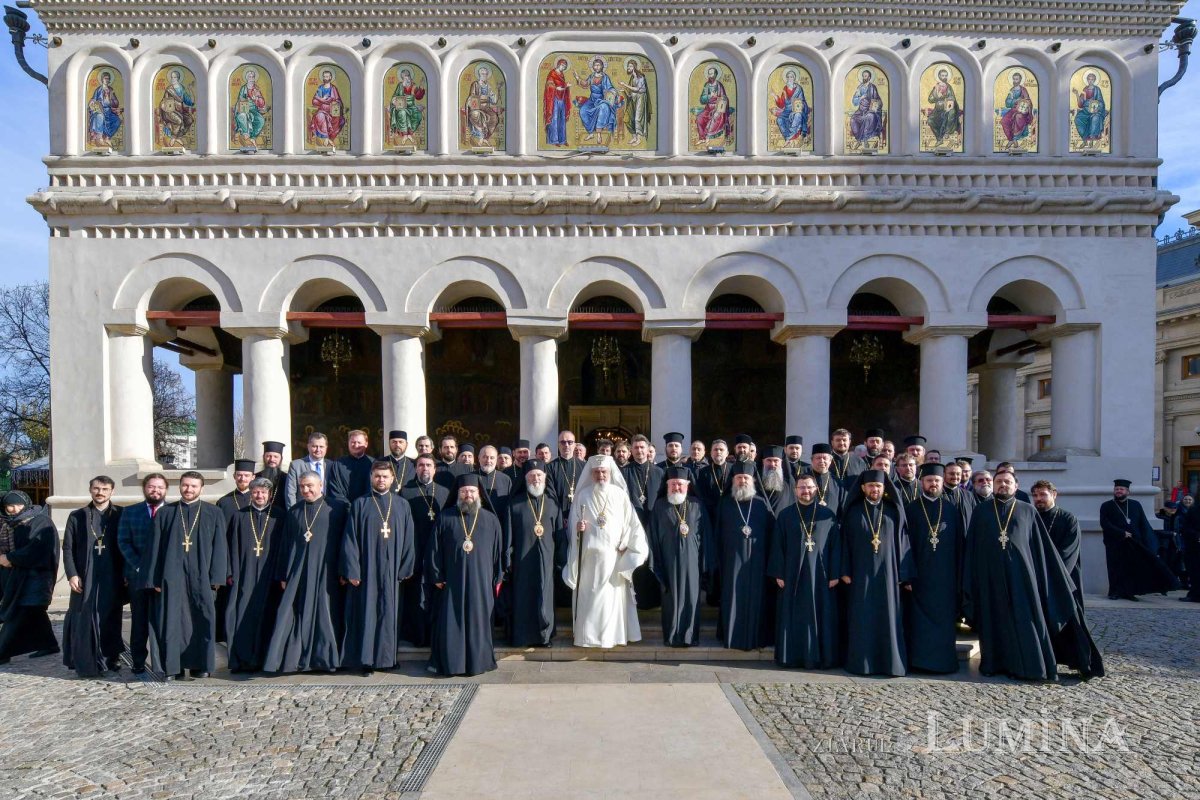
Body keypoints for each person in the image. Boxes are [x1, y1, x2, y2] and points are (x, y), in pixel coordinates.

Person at [963, 470, 1101, 680]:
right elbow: (972, 546)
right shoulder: (981, 511)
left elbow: (1040, 550)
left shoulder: (1027, 510)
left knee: (1025, 623)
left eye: (1007, 481)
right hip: (990, 579)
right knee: (993, 622)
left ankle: (1028, 667)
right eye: (999, 481)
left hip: (1022, 580)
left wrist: (1049, 579)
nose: (1003, 485)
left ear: (1016, 486)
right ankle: (994, 664)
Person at [144, 471, 227, 681]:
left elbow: (220, 546)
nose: (188, 489)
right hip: (171, 575)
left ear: (201, 488)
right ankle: (174, 667)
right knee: (172, 621)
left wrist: (217, 578)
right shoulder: (165, 513)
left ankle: (202, 665)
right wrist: (154, 578)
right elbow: (154, 547)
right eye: (185, 485)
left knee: (203, 619)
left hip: (202, 576)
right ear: (180, 486)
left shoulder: (214, 512)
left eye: (193, 486)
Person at [563, 455, 649, 648]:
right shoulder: (582, 495)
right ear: (591, 474)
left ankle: (612, 637)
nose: (600, 475)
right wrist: (577, 528)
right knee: (590, 599)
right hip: (588, 560)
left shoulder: (620, 494)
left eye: (604, 472)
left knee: (610, 600)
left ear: (610, 473)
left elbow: (632, 524)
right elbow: (572, 527)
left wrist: (625, 542)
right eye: (596, 472)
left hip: (613, 559)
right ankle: (587, 638)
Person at [265, 472, 345, 673]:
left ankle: (325, 660)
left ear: (320, 485)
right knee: (297, 614)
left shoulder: (337, 509)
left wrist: (344, 570)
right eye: (302, 486)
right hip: (299, 571)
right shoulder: (294, 511)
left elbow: (345, 542)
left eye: (310, 486)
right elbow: (285, 545)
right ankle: (298, 660)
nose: (305, 490)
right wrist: (283, 574)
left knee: (325, 614)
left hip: (326, 571)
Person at [341, 460, 416, 675]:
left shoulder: (402, 505)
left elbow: (410, 538)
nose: (381, 480)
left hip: (393, 571)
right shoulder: (360, 504)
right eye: (377, 476)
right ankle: (367, 661)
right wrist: (353, 570)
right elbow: (350, 540)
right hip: (367, 570)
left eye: (385, 476)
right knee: (368, 612)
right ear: (371, 478)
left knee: (390, 613)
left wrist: (406, 566)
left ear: (392, 479)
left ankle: (388, 658)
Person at [427, 474, 503, 676]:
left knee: (479, 622)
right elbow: (434, 550)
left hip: (481, 582)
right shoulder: (445, 518)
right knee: (453, 622)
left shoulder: (491, 519)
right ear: (458, 494)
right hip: (452, 582)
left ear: (479, 494)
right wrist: (437, 575)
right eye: (464, 491)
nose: (468, 495)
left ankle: (479, 662)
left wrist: (497, 576)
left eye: (472, 491)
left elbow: (498, 553)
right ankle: (454, 664)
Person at [840, 470, 912, 677]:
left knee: (888, 618)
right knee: (862, 618)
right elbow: (844, 542)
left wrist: (905, 573)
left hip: (889, 575)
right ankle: (861, 664)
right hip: (860, 574)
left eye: (878, 486)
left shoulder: (893, 511)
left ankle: (890, 664)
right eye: (871, 486)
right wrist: (844, 570)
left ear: (884, 488)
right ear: (863, 488)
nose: (875, 489)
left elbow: (904, 543)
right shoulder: (853, 512)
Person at [1031, 480, 1105, 677]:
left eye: (1043, 494)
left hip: (1064, 580)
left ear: (1054, 495)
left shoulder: (1068, 519)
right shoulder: (1031, 518)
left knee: (1071, 621)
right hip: (1038, 580)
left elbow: (1068, 553)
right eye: (1035, 495)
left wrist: (1051, 576)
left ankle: (1083, 664)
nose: (1038, 499)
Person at [769, 473, 841, 669]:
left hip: (821, 576)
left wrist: (835, 573)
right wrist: (778, 573)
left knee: (820, 616)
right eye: (802, 487)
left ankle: (821, 658)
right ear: (795, 490)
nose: (806, 491)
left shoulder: (828, 515)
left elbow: (836, 546)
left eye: (809, 487)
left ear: (816, 489)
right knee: (793, 616)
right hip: (792, 575)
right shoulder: (785, 515)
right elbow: (777, 546)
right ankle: (792, 657)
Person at [903, 464, 965, 674]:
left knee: (944, 621)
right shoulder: (911, 509)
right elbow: (904, 545)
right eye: (929, 480)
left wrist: (959, 575)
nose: (933, 484)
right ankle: (919, 662)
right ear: (922, 482)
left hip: (946, 577)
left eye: (937, 481)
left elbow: (959, 545)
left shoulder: (951, 509)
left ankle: (944, 662)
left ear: (942, 482)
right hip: (919, 577)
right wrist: (907, 575)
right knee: (918, 623)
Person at [62, 476, 126, 677]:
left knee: (110, 615)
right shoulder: (77, 516)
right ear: (90, 490)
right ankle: (87, 658)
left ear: (112, 491)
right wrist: (72, 574)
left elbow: (127, 545)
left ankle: (112, 655)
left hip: (112, 573)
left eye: (105, 489)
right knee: (84, 616)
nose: (100, 492)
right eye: (97, 488)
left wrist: (127, 573)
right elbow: (68, 547)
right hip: (85, 574)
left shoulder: (121, 514)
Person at [225, 477, 284, 673]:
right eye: (256, 492)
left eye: (263, 492)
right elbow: (231, 546)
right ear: (251, 493)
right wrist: (230, 571)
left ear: (270, 494)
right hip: (245, 574)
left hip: (270, 576)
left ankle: (265, 660)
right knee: (242, 615)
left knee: (268, 615)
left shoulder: (279, 516)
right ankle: (241, 660)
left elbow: (284, 547)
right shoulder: (239, 516)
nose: (260, 495)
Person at [715, 461, 774, 650]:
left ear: (753, 480)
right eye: (739, 478)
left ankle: (756, 637)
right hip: (731, 561)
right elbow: (717, 534)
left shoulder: (761, 504)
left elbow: (771, 534)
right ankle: (732, 637)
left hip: (757, 562)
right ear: (733, 480)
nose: (742, 481)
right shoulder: (725, 503)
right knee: (732, 596)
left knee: (757, 599)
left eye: (746, 478)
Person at [648, 467, 711, 647]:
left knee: (691, 599)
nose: (677, 488)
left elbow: (706, 535)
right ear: (667, 486)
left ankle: (690, 637)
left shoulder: (697, 505)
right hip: (668, 562)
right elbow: (652, 536)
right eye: (673, 484)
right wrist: (655, 561)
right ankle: (671, 636)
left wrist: (705, 562)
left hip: (692, 562)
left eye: (680, 484)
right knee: (670, 599)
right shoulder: (660, 506)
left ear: (687, 486)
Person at [506, 459, 564, 648]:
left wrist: (560, 560)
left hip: (547, 561)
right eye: (532, 476)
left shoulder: (553, 504)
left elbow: (560, 536)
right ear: (525, 479)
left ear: (545, 478)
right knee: (524, 598)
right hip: (522, 562)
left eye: (539, 475)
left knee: (545, 598)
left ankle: (544, 637)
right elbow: (508, 537)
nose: (536, 479)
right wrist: (508, 560)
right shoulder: (514, 505)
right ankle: (522, 637)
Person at [0, 492, 60, 666]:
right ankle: (49, 644)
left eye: (18, 505)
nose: (14, 509)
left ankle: (2, 651)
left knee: (17, 611)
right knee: (35, 612)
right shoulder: (8, 523)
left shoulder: (40, 521)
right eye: (9, 506)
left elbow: (38, 549)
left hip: (37, 575)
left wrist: (10, 558)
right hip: (17, 575)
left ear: (26, 503)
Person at [116, 473, 167, 674]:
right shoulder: (130, 512)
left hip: (165, 577)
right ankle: (138, 660)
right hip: (137, 576)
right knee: (139, 620)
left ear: (165, 489)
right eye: (151, 487)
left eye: (160, 487)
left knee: (164, 620)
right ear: (144, 488)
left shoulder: (173, 511)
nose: (156, 491)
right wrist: (140, 566)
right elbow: (123, 542)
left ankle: (165, 661)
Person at [1099, 479, 1178, 600]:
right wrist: (1121, 533)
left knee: (1132, 568)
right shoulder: (1106, 506)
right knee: (1115, 567)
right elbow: (1105, 523)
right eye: (1117, 489)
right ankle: (1115, 592)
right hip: (1115, 542)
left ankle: (1129, 592)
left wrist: (1149, 541)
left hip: (1134, 542)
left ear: (1128, 492)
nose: (1119, 491)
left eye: (1121, 489)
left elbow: (1143, 523)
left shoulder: (1135, 505)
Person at [399, 453, 448, 646]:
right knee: (414, 594)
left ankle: (435, 634)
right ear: (415, 468)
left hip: (438, 551)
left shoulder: (444, 492)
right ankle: (416, 635)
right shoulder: (405, 492)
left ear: (435, 469)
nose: (425, 468)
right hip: (414, 549)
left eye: (428, 465)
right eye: (421, 465)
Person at [215, 458, 257, 643]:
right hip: (232, 558)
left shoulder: (259, 499)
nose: (242, 478)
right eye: (239, 475)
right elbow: (220, 537)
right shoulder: (224, 502)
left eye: (246, 475)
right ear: (234, 477)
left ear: (253, 477)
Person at [621, 434, 663, 609]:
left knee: (653, 561)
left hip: (653, 525)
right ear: (631, 451)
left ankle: (654, 600)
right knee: (636, 562)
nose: (639, 450)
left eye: (642, 447)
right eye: (636, 447)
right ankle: (635, 601)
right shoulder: (624, 472)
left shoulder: (659, 472)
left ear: (648, 450)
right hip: (632, 527)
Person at [286, 432, 332, 508]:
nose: (318, 450)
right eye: (314, 446)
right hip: (303, 509)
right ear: (308, 447)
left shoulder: (332, 465)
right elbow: (290, 493)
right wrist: (293, 512)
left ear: (326, 448)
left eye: (321, 446)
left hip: (326, 508)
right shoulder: (296, 465)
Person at [807, 444, 844, 516]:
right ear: (812, 460)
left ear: (830, 461)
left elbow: (842, 507)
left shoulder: (838, 482)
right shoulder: (803, 481)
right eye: (818, 458)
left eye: (825, 458)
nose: (821, 461)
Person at [337, 429, 374, 502]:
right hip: (342, 506)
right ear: (348, 443)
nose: (356, 445)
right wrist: (346, 505)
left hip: (367, 505)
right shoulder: (338, 464)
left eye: (359, 442)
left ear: (366, 444)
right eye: (353, 442)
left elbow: (374, 487)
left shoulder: (373, 464)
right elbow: (335, 488)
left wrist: (363, 504)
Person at [543, 58, 571, 146]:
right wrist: (555, 88)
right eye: (563, 65)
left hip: (562, 98)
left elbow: (562, 86)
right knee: (554, 118)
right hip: (553, 98)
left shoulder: (562, 75)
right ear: (559, 64)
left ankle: (562, 140)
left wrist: (566, 86)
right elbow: (549, 85)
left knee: (562, 118)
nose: (563, 68)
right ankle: (554, 140)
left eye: (565, 67)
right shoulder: (552, 73)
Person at [760, 446, 794, 516]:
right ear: (763, 462)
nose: (772, 464)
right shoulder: (757, 483)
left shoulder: (789, 483)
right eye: (769, 460)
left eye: (776, 461)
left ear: (781, 462)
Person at [256, 441, 288, 509]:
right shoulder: (256, 477)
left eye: (275, 457)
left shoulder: (287, 478)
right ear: (263, 457)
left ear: (281, 459)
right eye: (268, 456)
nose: (272, 459)